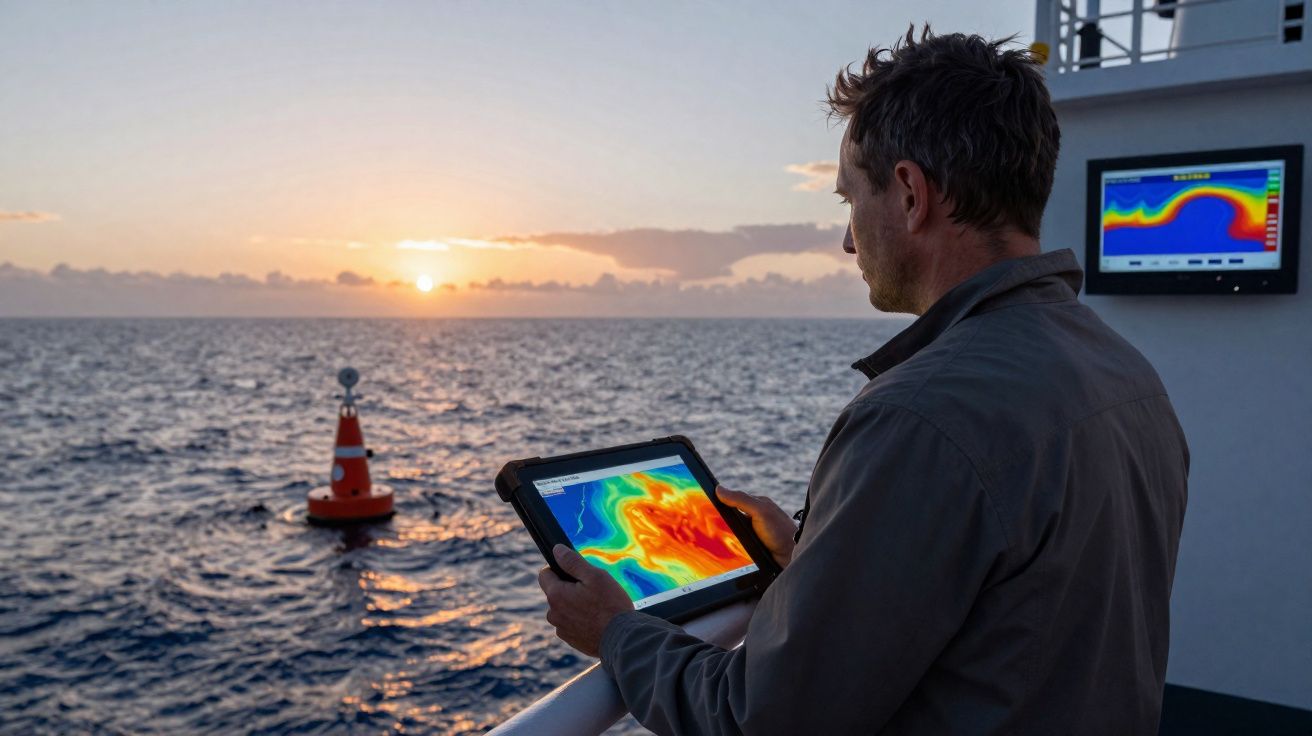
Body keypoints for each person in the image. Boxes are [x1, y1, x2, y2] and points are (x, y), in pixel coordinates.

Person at [537, 26, 1188, 735]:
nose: (848, 239)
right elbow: (1015, 609)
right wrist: (810, 562)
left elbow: (757, 720)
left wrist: (615, 632)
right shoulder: (1128, 376)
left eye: (850, 199)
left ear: (910, 194)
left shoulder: (920, 416)